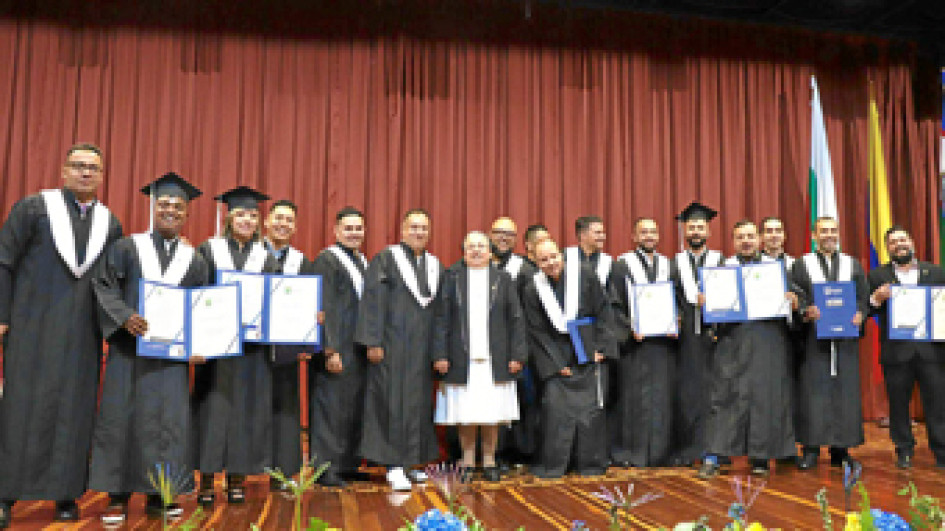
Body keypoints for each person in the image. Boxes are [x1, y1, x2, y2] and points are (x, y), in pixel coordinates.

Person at [0, 143, 123, 526]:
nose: (86, 173)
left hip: (82, 333)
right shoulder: (34, 209)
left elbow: (113, 279)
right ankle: (6, 494)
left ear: (102, 177)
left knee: (75, 411)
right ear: (63, 170)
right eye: (79, 166)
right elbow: (3, 261)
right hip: (30, 328)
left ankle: (66, 493)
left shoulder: (110, 223)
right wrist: (1, 316)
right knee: (21, 410)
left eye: (93, 168)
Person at [89, 173, 208, 523]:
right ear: (154, 208)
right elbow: (104, 285)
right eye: (164, 204)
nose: (170, 210)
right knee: (121, 418)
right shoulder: (128, 247)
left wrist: (199, 344)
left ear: (187, 214)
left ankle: (161, 493)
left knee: (166, 425)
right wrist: (125, 316)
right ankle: (117, 495)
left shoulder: (195, 261)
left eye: (178, 206)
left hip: (171, 358)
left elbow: (200, 307)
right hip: (131, 352)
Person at [193, 186, 280, 506]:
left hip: (252, 348)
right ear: (229, 217)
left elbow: (276, 301)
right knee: (213, 411)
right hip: (216, 347)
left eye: (253, 215)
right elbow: (196, 293)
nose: (247, 219)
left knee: (245, 411)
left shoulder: (266, 257)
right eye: (241, 213)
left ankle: (236, 479)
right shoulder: (209, 249)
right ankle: (205, 480)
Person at [698, 220, 799, 479]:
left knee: (765, 400)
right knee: (725, 398)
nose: (746, 241)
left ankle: (760, 457)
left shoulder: (777, 270)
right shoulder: (722, 270)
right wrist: (704, 303)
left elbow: (799, 300)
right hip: (733, 341)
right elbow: (709, 312)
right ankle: (716, 455)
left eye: (751, 236)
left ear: (759, 240)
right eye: (740, 237)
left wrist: (795, 301)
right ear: (733, 241)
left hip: (768, 342)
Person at [356, 208, 444, 491]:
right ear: (403, 230)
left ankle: (411, 462)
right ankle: (393, 464)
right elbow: (372, 301)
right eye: (414, 227)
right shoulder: (386, 259)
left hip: (421, 347)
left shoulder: (434, 264)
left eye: (424, 228)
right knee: (391, 403)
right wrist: (373, 340)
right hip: (391, 345)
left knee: (417, 404)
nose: (419, 232)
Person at [433, 231, 527, 481]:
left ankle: (489, 460)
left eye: (481, 246)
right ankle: (466, 461)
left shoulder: (503, 279)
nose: (476, 250)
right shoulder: (452, 278)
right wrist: (440, 354)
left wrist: (518, 354)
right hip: (460, 358)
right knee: (467, 413)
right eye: (471, 246)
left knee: (491, 413)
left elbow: (516, 319)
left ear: (489, 251)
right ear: (463, 251)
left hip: (495, 358)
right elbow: (441, 319)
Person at [521, 239, 616, 478]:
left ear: (561, 254)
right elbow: (536, 331)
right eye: (544, 260)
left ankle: (591, 464)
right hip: (557, 358)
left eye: (554, 256)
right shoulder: (533, 288)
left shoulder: (583, 275)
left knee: (591, 414)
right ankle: (555, 465)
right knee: (556, 412)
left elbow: (604, 311)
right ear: (535, 261)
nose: (551, 263)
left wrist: (601, 348)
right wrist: (556, 365)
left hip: (589, 353)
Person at [791, 216, 868, 470]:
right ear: (814, 236)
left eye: (833, 230)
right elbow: (796, 295)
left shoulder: (852, 264)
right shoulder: (803, 265)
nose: (829, 235)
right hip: (814, 342)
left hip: (844, 341)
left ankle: (840, 450)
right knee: (813, 393)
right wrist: (805, 310)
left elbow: (862, 298)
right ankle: (811, 449)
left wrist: (860, 314)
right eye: (823, 231)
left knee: (843, 393)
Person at [867, 225, 945, 469]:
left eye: (903, 239)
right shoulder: (877, 276)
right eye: (893, 242)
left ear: (911, 242)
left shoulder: (936, 272)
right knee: (898, 404)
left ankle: (941, 451)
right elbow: (868, 308)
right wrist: (876, 299)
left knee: (938, 403)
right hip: (896, 352)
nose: (899, 244)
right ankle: (904, 449)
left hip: (931, 351)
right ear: (887, 248)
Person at [607, 218, 677, 467]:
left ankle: (660, 454)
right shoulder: (622, 265)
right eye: (643, 232)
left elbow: (676, 299)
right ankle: (631, 454)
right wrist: (629, 327)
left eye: (653, 232)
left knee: (661, 398)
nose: (649, 236)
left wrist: (675, 321)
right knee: (633, 398)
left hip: (662, 345)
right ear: (634, 236)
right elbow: (613, 305)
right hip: (634, 345)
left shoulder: (668, 264)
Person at [309, 206, 370, 487]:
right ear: (336, 230)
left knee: (353, 407)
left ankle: (347, 464)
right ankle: (325, 468)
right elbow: (324, 305)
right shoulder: (327, 260)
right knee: (330, 408)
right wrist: (330, 349)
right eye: (348, 228)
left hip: (357, 348)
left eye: (358, 228)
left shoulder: (362, 262)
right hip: (337, 346)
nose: (354, 233)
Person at [262, 199, 312, 489]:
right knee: (253, 408)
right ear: (267, 222)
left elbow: (308, 303)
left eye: (289, 220)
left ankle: (282, 473)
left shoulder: (300, 262)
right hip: (253, 347)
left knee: (285, 409)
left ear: (295, 227)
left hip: (285, 348)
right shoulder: (250, 255)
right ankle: (243, 472)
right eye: (278, 218)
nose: (283, 224)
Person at [671, 202, 723, 466]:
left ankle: (714, 449)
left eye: (700, 227)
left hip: (714, 338)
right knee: (688, 393)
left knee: (713, 394)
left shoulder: (720, 262)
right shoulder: (674, 263)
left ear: (708, 232)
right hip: (685, 340)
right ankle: (688, 449)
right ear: (684, 231)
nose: (695, 231)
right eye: (691, 227)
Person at [489, 217, 540, 469]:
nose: (503, 238)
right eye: (498, 232)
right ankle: (491, 454)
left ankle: (518, 453)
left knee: (521, 401)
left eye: (509, 233)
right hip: (484, 349)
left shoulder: (525, 269)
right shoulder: (478, 264)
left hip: (519, 347)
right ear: (490, 234)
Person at [564, 216, 612, 286]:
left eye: (603, 233)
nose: (602, 236)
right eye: (597, 233)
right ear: (583, 235)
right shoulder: (566, 256)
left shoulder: (608, 261)